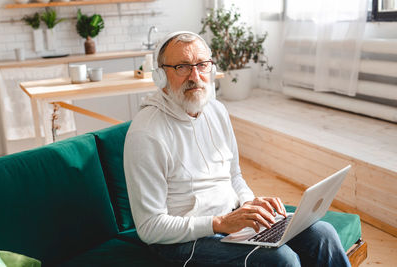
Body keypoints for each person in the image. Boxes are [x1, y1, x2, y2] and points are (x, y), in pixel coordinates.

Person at [123, 31, 351, 267]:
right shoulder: (147, 133)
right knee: (282, 261)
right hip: (180, 242)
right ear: (160, 77)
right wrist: (220, 223)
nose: (195, 75)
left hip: (229, 222)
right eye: (182, 66)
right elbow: (149, 228)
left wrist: (250, 204)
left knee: (323, 234)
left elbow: (234, 176)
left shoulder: (216, 110)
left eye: (202, 64)